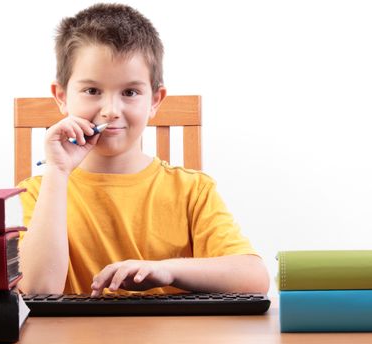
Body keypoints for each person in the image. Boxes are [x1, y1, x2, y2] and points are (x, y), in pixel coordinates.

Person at [17, 3, 269, 296]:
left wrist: (167, 269)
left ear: (155, 100)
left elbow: (254, 279)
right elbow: (38, 290)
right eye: (92, 91)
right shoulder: (37, 193)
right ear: (61, 97)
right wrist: (58, 172)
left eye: (130, 92)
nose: (111, 110)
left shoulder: (193, 190)